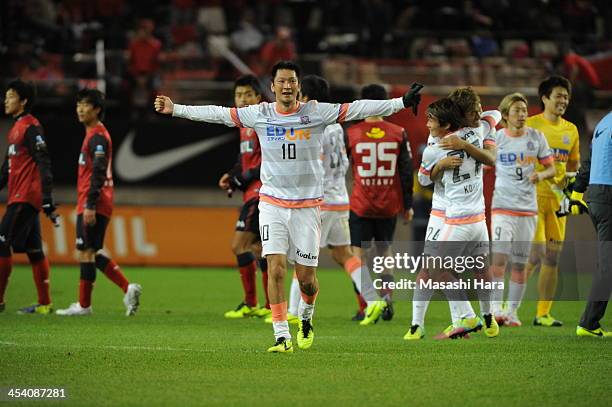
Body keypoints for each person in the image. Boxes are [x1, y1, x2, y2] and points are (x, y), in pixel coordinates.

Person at [154, 60, 423, 352]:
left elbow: (359, 108)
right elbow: (219, 114)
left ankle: (306, 317)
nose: (286, 86)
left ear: (298, 85)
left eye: (291, 81)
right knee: (276, 267)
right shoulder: (260, 114)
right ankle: (281, 335)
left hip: (308, 207)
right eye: (281, 81)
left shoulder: (316, 112)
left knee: (307, 279)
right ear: (272, 87)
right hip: (272, 204)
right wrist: (176, 108)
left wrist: (401, 102)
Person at [282, 75, 386, 326]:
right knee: (344, 255)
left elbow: (311, 163)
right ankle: (373, 301)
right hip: (340, 198)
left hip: (320, 200)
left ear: (307, 98)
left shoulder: (313, 125)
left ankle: (294, 313)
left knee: (302, 256)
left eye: (299, 94)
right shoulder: (336, 125)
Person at [411, 95, 501, 340]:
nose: (428, 124)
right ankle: (482, 318)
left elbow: (422, 180)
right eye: (475, 110)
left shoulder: (435, 147)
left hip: (454, 216)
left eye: (431, 120)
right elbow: (496, 115)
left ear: (447, 123)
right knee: (478, 268)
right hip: (477, 218)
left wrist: (438, 164)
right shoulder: (479, 131)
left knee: (435, 268)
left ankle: (468, 316)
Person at [56, 89, 142, 317]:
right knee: (90, 251)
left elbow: (99, 172)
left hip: (94, 201)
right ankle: (127, 288)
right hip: (96, 200)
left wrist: (90, 204)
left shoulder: (97, 137)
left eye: (85, 105)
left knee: (85, 252)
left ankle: (84, 306)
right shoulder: (94, 135)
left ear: (97, 109)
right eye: (78, 105)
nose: (80, 109)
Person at [345, 84, 415, 326]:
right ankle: (386, 299)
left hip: (361, 203)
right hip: (388, 203)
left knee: (358, 255)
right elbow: (406, 171)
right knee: (385, 252)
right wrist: (408, 204)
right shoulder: (398, 132)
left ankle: (366, 305)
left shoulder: (352, 132)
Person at [489, 93, 555, 327]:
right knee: (499, 259)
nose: (522, 115)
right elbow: (485, 161)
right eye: (516, 110)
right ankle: (495, 309)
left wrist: (541, 174)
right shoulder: (497, 138)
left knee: (519, 263)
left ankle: (512, 312)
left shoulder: (536, 137)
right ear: (505, 115)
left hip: (527, 209)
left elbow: (551, 169)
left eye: (524, 110)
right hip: (502, 207)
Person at [525, 76, 580, 327]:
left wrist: (571, 183)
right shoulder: (529, 125)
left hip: (559, 202)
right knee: (535, 254)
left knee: (552, 258)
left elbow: (573, 165)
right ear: (545, 98)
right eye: (558, 95)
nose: (563, 100)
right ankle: (506, 307)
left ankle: (543, 314)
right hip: (532, 197)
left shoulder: (571, 130)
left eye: (566, 96)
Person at [0, 80, 57, 315]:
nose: (6, 100)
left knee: (2, 243)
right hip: (19, 195)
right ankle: (44, 303)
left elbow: (43, 160)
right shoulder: (15, 129)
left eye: (11, 96)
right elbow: (5, 171)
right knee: (34, 250)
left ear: (23, 101)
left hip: (26, 196)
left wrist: (46, 197)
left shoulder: (31, 127)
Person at [218, 75, 271, 319]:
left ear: (258, 97)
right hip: (254, 192)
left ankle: (253, 303)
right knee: (259, 248)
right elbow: (245, 158)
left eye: (247, 94)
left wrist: (243, 178)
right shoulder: (244, 124)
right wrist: (231, 174)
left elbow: (270, 159)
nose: (242, 99)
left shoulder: (263, 120)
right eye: (238, 95)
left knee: (239, 245)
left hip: (260, 193)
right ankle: (270, 306)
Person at [565, 110, 612, 337]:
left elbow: (590, 161)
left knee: (607, 263)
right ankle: (588, 323)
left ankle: (589, 322)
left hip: (596, 196)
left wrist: (577, 191)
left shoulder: (604, 122)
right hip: (608, 196)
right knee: (607, 266)